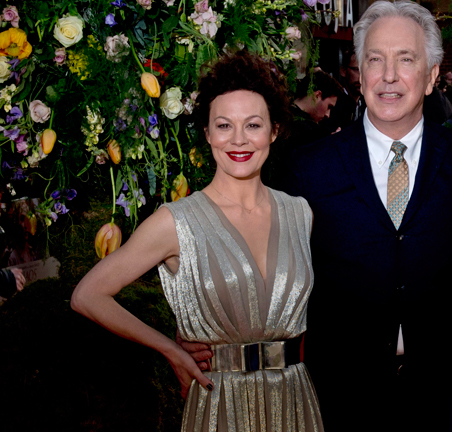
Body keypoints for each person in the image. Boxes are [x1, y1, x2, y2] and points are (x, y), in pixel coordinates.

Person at [183, 3, 452, 431]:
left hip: (450, 395)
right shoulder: (307, 168)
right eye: (375, 60)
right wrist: (207, 328)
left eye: (406, 60)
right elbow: (265, 267)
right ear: (360, 73)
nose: (389, 76)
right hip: (338, 398)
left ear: (432, 75)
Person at [71, 51, 324, 432]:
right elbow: (87, 295)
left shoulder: (300, 213)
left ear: (274, 131)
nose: (238, 140)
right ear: (207, 134)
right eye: (224, 125)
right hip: (220, 404)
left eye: (253, 125)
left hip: (293, 401)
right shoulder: (176, 222)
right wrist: (170, 349)